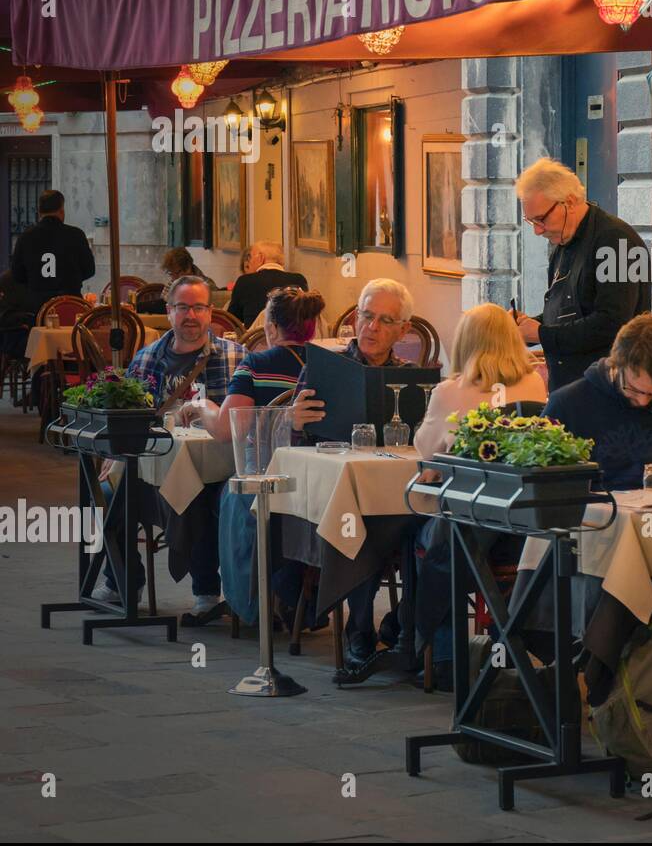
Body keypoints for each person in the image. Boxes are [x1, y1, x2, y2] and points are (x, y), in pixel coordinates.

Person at [412, 302, 549, 690]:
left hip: (468, 531)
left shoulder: (448, 392)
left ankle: (438, 653)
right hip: (521, 532)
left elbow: (428, 463)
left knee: (417, 535)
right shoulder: (535, 384)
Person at [93, 275, 246, 612]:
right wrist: (115, 451)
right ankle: (124, 580)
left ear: (211, 312)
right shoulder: (146, 360)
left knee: (202, 493)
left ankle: (206, 590)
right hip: (154, 468)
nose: (190, 315)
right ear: (169, 311)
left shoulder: (237, 358)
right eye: (182, 307)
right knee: (107, 494)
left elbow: (247, 420)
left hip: (219, 466)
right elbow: (126, 418)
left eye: (198, 307)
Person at [290, 279, 420, 666]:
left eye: (384, 320)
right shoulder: (325, 370)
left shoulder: (411, 378)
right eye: (366, 316)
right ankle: (360, 630)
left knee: (434, 532)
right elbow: (290, 442)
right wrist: (294, 421)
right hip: (328, 500)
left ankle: (402, 622)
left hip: (396, 497)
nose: (372, 327)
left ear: (403, 330)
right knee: (358, 523)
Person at [205, 287, 325, 626]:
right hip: (315, 480)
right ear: (313, 328)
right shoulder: (328, 367)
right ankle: (294, 597)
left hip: (266, 477)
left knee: (216, 495)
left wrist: (199, 406)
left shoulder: (255, 365)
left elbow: (229, 430)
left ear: (270, 328)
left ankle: (244, 600)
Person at [513, 158, 651, 392]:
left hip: (610, 390)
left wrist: (541, 334)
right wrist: (524, 326)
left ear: (569, 202)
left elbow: (612, 323)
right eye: (531, 221)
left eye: (541, 219)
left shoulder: (616, 241)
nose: (537, 230)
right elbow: (569, 314)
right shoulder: (564, 242)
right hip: (571, 386)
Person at [542, 312, 652, 490]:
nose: (643, 401)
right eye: (634, 389)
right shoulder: (567, 406)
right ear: (616, 365)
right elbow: (544, 490)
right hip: (594, 514)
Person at [414, 303, 548, 457]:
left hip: (469, 479)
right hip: (519, 479)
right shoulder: (535, 381)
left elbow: (426, 451)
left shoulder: (447, 391)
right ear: (514, 339)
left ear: (463, 342)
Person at [10, 189, 96, 302]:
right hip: (70, 304)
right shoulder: (76, 235)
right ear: (61, 211)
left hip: (37, 307)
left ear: (39, 212)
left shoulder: (25, 237)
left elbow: (17, 274)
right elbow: (89, 270)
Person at [227, 240, 308, 327]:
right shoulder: (299, 280)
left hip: (255, 339)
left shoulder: (245, 281)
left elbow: (232, 320)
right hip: (293, 337)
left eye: (250, 257)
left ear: (260, 258)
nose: (249, 262)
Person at [137, 247, 212, 314]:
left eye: (177, 273)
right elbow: (163, 304)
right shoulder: (174, 282)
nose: (174, 277)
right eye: (171, 273)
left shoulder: (205, 285)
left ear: (188, 268)